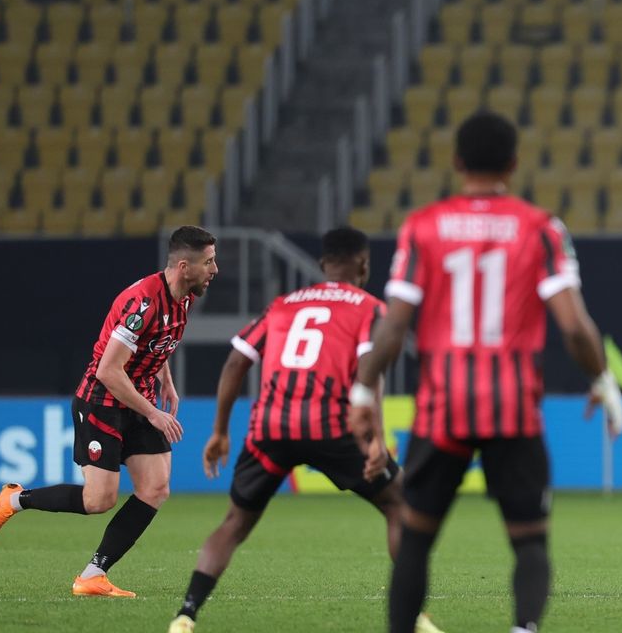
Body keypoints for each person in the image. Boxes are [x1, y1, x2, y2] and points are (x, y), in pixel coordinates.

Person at [348, 111, 622, 633]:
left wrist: (363, 394)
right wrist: (602, 380)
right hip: (513, 411)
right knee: (529, 541)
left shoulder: (423, 226)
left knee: (416, 539)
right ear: (514, 164)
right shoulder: (541, 228)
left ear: (457, 163)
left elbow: (393, 327)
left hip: (442, 409)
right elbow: (574, 327)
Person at [168, 227, 442, 633]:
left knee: (235, 523)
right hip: (331, 425)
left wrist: (220, 431)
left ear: (322, 264)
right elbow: (371, 371)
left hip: (270, 426)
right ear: (364, 265)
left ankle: (186, 614)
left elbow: (236, 362)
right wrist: (376, 441)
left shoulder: (283, 304)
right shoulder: (369, 308)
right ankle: (411, 616)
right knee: (399, 504)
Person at [0, 226, 218, 598]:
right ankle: (13, 500)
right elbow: (109, 371)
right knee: (99, 501)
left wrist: (166, 380)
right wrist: (154, 413)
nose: (215, 269)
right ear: (184, 266)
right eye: (209, 262)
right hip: (103, 402)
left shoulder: (184, 296)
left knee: (155, 488)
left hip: (138, 399)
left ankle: (93, 575)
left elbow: (155, 343)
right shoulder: (142, 304)